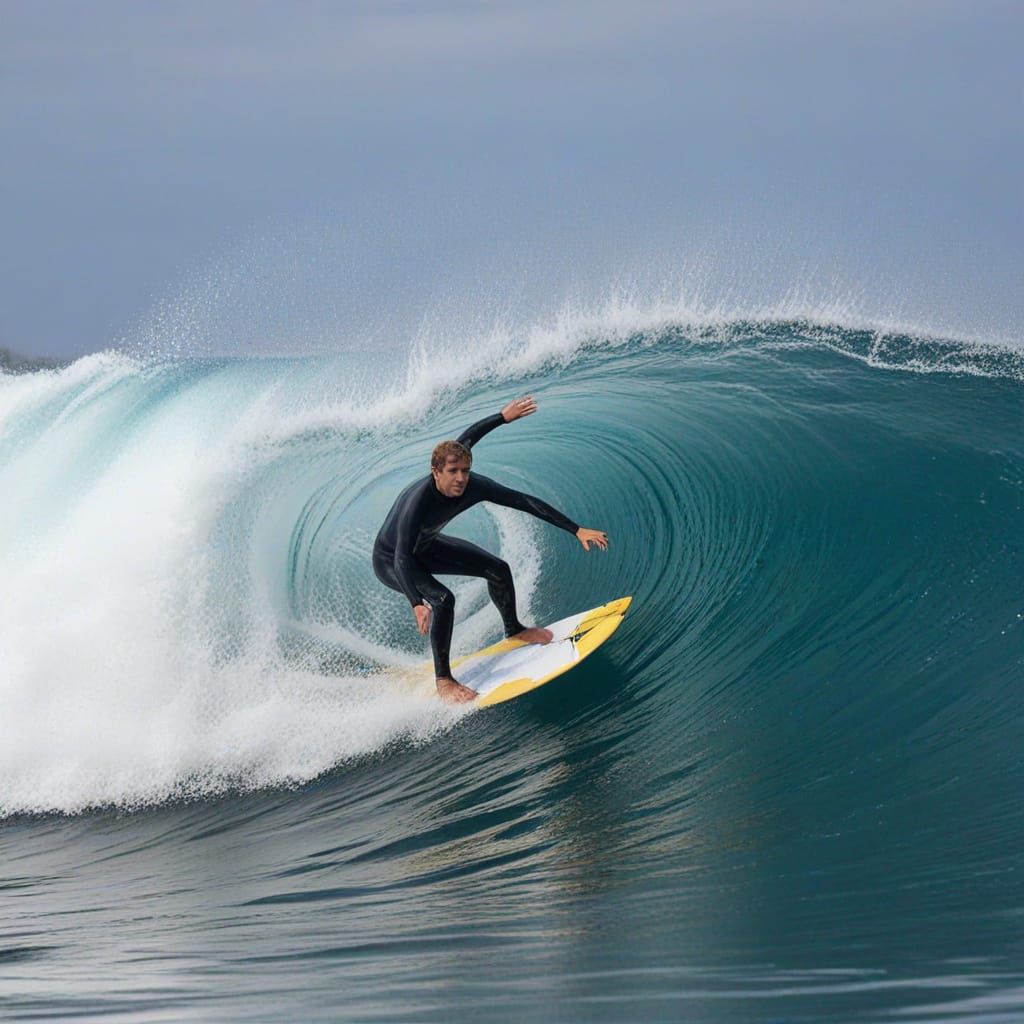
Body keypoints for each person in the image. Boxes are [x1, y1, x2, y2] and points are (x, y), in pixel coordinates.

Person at [373, 396, 608, 703]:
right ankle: (443, 680)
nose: (461, 478)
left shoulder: (474, 484)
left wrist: (575, 529)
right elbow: (403, 556)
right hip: (392, 561)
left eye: (466, 471)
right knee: (443, 600)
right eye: (454, 471)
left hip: (427, 548)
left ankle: (514, 629)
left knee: (497, 569)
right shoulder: (417, 502)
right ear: (436, 472)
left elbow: (521, 498)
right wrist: (415, 601)